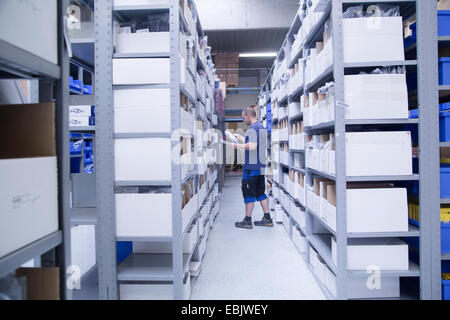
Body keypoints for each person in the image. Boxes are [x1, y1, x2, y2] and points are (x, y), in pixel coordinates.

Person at [229, 105, 272, 229]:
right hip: (260, 166)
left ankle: (247, 221)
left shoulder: (253, 129)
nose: (244, 120)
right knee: (260, 192)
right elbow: (256, 144)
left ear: (248, 116)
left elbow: (252, 147)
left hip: (252, 167)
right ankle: (267, 218)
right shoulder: (260, 127)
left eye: (244, 118)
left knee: (249, 193)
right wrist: (242, 138)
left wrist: (238, 146)